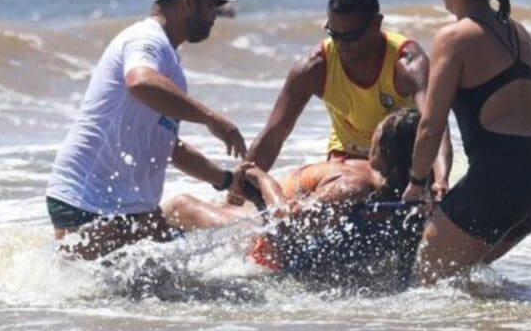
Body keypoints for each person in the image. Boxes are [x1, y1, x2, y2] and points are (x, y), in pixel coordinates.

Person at [46, 0, 247, 260]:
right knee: (146, 291)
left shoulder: (168, 57)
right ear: (188, 3)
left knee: (178, 275)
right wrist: (210, 118)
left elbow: (168, 146)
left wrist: (227, 181)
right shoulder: (146, 38)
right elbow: (139, 81)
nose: (214, 15)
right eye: (210, 5)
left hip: (119, 204)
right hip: (88, 201)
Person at [402, 0, 531, 285]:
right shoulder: (519, 32)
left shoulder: (455, 37)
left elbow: (431, 123)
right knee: (461, 279)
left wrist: (416, 183)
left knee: (425, 282)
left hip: (501, 179)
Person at [239, 0, 453, 200]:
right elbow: (273, 135)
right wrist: (237, 195)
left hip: (400, 164)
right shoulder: (314, 67)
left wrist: (441, 180)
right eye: (333, 34)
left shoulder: (407, 63)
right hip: (347, 160)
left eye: (350, 38)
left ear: (376, 24)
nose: (341, 44)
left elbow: (434, 125)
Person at [165, 108, 422, 282]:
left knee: (180, 205)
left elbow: (286, 225)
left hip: (265, 238)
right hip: (281, 224)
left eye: (374, 137)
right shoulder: (419, 193)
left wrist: (260, 177)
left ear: (381, 149)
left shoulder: (352, 184)